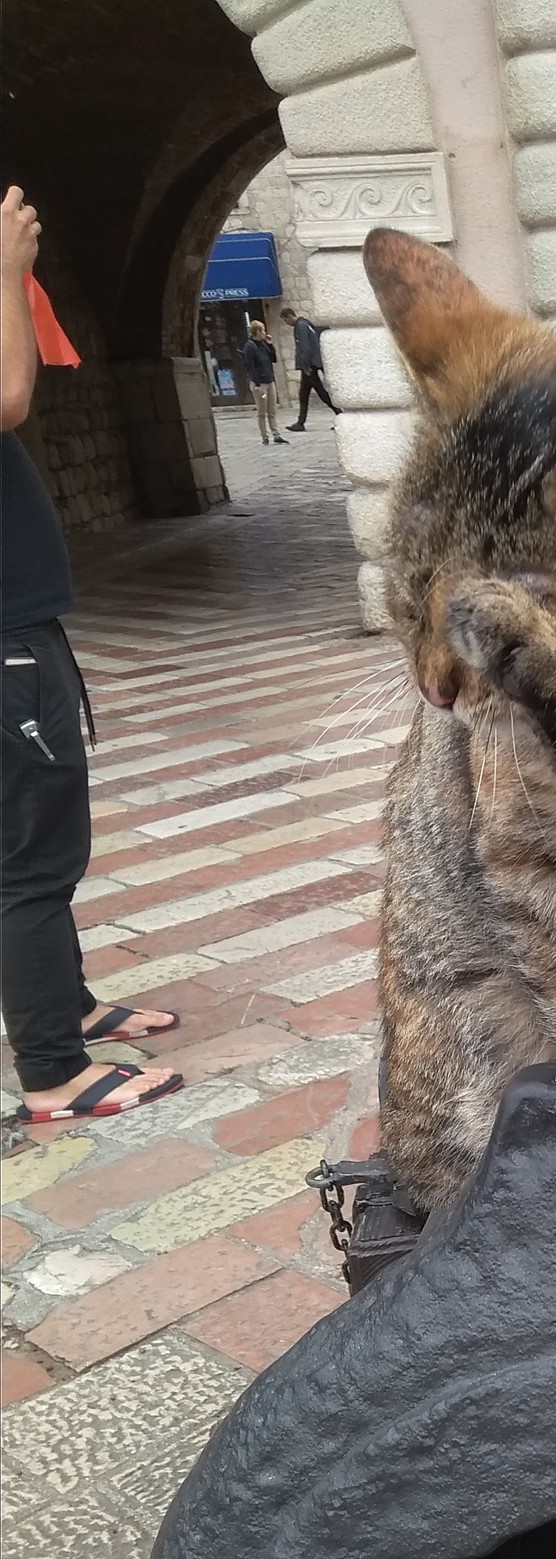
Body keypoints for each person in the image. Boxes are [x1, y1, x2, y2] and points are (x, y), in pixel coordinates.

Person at [2, 184, 182, 1124]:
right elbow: (6, 396)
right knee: (31, 861)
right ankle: (52, 1073)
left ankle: (66, 1008)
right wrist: (8, 274)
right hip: (4, 643)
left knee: (40, 847)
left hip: (18, 631)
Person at [280, 306, 340, 430]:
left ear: (290, 316)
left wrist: (306, 365)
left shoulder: (300, 326)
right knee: (304, 393)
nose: (287, 323)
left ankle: (339, 413)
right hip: (310, 364)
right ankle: (300, 422)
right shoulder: (305, 324)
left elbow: (305, 347)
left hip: (309, 365)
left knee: (321, 392)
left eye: (285, 320)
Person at [241, 317, 288, 445]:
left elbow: (273, 359)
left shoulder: (263, 344)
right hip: (259, 383)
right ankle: (264, 435)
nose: (265, 333)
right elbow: (249, 365)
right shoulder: (250, 346)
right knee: (262, 411)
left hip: (269, 381)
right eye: (262, 331)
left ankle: (276, 434)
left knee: (272, 410)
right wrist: (257, 383)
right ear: (257, 332)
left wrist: (270, 344)